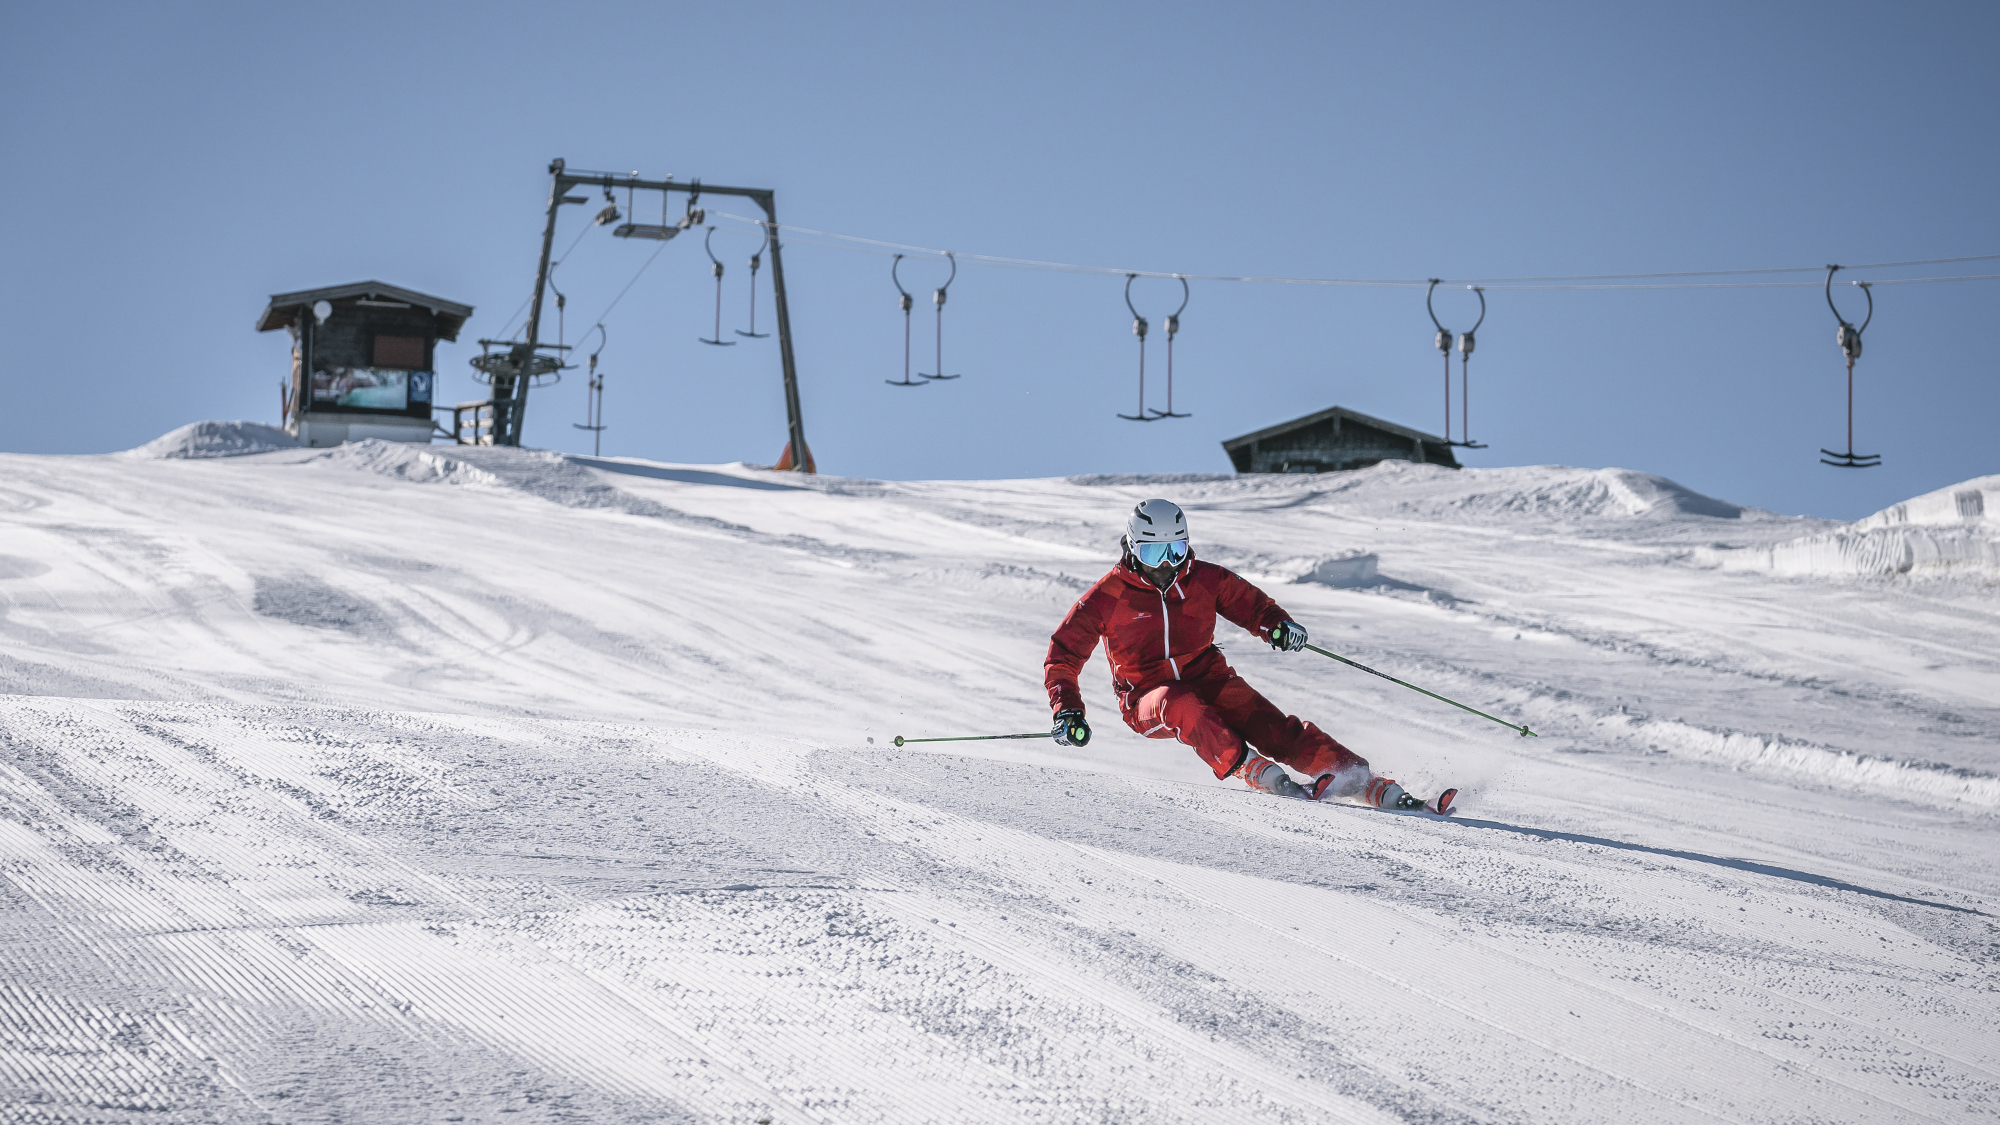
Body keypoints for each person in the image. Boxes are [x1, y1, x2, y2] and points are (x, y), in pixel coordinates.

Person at [1044, 498, 1450, 812]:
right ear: (1133, 549)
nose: (1167, 565)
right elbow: (1063, 656)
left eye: (1176, 550)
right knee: (1179, 703)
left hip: (1208, 675)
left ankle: (1364, 781)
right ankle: (1251, 768)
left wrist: (1277, 625)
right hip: (1147, 698)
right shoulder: (1106, 597)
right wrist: (1067, 711)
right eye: (1154, 554)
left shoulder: (1205, 578)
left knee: (1275, 726)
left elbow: (1252, 605)